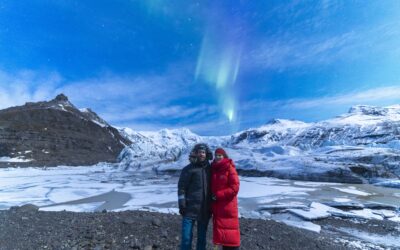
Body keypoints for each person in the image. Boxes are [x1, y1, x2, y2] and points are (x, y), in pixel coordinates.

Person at [178, 143, 213, 250]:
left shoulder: (210, 169)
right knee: (186, 238)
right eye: (199, 152)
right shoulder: (188, 169)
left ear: (206, 154)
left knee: (202, 239)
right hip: (189, 209)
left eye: (203, 152)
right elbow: (181, 188)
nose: (201, 154)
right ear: (195, 153)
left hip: (204, 210)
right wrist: (182, 204)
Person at [211, 148, 240, 250]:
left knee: (230, 235)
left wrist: (218, 195)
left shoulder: (229, 168)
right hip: (218, 207)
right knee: (221, 235)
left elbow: (235, 187)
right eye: (216, 155)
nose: (218, 157)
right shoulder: (213, 168)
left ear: (224, 156)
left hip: (228, 207)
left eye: (220, 155)